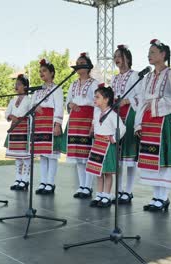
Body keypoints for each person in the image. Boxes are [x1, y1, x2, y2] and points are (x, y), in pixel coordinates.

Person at [134, 39, 171, 212]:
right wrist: (138, 124)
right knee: (151, 159)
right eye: (149, 52)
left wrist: (157, 103)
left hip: (163, 121)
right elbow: (141, 101)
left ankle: (164, 197)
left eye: (153, 52)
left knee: (162, 158)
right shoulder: (148, 77)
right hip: (148, 121)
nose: (149, 55)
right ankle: (156, 196)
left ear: (163, 54)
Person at [62, 52, 98, 199]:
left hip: (87, 119)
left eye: (81, 62)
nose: (78, 65)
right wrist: (70, 104)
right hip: (75, 120)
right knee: (78, 155)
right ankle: (82, 186)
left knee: (87, 154)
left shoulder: (94, 83)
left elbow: (97, 104)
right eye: (77, 63)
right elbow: (68, 101)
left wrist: (94, 124)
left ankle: (88, 186)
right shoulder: (73, 84)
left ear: (88, 66)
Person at [111, 44, 141, 204]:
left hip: (130, 113)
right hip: (116, 114)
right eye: (115, 56)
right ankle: (119, 190)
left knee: (129, 155)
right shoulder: (114, 78)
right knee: (119, 156)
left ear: (127, 58)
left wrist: (128, 100)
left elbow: (141, 96)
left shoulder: (135, 75)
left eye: (119, 56)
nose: (117, 59)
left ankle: (128, 190)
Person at [87, 86, 126, 208]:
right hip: (98, 144)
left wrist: (114, 138)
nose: (95, 99)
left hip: (108, 146)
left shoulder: (112, 115)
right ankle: (99, 194)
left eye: (97, 97)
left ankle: (106, 195)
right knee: (98, 172)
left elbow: (123, 128)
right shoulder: (97, 112)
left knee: (108, 173)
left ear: (106, 99)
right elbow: (95, 123)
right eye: (95, 97)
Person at [32, 58, 64, 195]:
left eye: (44, 71)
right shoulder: (37, 90)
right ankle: (43, 182)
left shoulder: (57, 88)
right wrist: (35, 108)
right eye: (40, 71)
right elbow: (31, 104)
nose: (41, 73)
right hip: (40, 124)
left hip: (50, 123)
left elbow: (59, 107)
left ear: (52, 73)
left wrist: (57, 124)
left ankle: (50, 183)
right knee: (43, 156)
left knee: (52, 155)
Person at [5, 74, 32, 191]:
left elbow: (29, 114)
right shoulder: (13, 100)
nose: (16, 86)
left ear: (25, 87)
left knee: (25, 156)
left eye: (19, 84)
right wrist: (10, 116)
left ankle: (25, 180)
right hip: (14, 129)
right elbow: (7, 113)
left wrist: (19, 117)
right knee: (17, 157)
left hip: (24, 129)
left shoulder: (29, 100)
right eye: (16, 84)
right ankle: (18, 179)